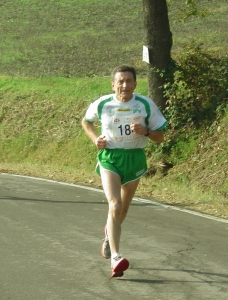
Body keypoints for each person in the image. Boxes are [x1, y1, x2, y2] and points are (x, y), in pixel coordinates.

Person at [81, 65, 167, 277]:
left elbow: (160, 137)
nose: (124, 85)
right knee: (115, 204)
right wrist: (95, 140)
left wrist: (146, 131)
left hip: (135, 159)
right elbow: (86, 121)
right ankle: (116, 257)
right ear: (113, 85)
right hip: (110, 158)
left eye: (129, 81)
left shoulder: (145, 104)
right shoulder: (103, 103)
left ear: (135, 84)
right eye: (120, 81)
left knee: (123, 211)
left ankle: (109, 237)